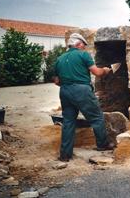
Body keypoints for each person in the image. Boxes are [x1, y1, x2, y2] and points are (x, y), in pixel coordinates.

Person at [54, 33, 114, 162]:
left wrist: (69, 85)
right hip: (82, 90)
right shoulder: (83, 55)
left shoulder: (59, 59)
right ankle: (102, 145)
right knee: (97, 117)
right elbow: (97, 72)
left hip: (64, 91)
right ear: (79, 44)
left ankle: (65, 155)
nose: (85, 48)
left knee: (68, 121)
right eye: (84, 45)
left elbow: (56, 81)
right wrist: (105, 70)